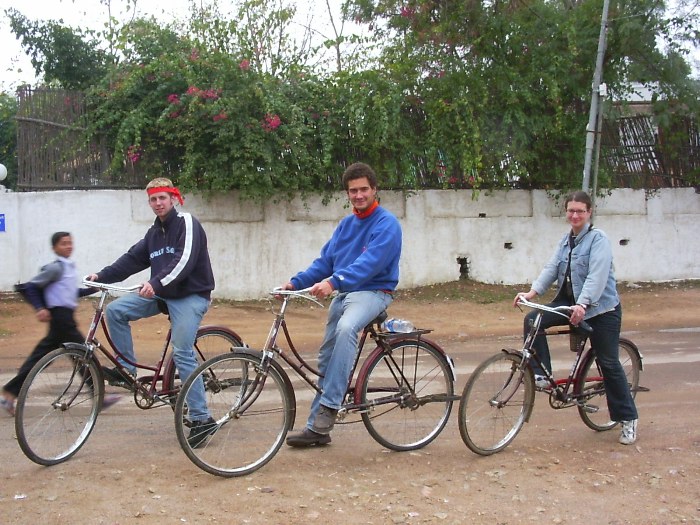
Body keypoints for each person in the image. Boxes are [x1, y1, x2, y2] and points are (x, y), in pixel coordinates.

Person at [86, 177, 217, 448]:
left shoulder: (187, 223)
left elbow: (185, 261)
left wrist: (155, 283)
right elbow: (131, 260)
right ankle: (127, 370)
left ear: (173, 199)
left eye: (162, 198)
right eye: (153, 199)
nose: (158, 203)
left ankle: (203, 419)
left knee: (182, 353)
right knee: (116, 311)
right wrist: (101, 276)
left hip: (191, 295)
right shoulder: (153, 234)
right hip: (163, 294)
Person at [283, 162, 403, 447]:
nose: (359, 195)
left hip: (374, 291)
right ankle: (317, 430)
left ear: (374, 190)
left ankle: (330, 408)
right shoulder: (346, 225)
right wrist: (294, 283)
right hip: (345, 293)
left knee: (348, 328)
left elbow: (370, 263)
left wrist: (334, 282)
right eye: (353, 191)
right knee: (326, 358)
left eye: (364, 189)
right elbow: (326, 262)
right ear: (347, 194)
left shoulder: (387, 224)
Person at [513, 190, 639, 445]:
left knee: (609, 363)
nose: (574, 215)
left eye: (580, 210)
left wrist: (583, 304)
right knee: (533, 320)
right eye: (571, 210)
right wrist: (532, 291)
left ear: (589, 212)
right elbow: (551, 268)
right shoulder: (566, 240)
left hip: (601, 309)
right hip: (569, 304)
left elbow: (597, 276)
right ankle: (541, 373)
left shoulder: (598, 240)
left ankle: (628, 418)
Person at [2, 232, 121, 416]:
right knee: (84, 356)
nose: (68, 246)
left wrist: (90, 290)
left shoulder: (67, 267)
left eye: (70, 243)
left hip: (64, 319)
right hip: (61, 320)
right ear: (54, 248)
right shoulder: (55, 268)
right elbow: (31, 287)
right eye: (63, 244)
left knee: (43, 360)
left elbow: (69, 293)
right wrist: (40, 308)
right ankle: (100, 397)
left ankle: (10, 392)